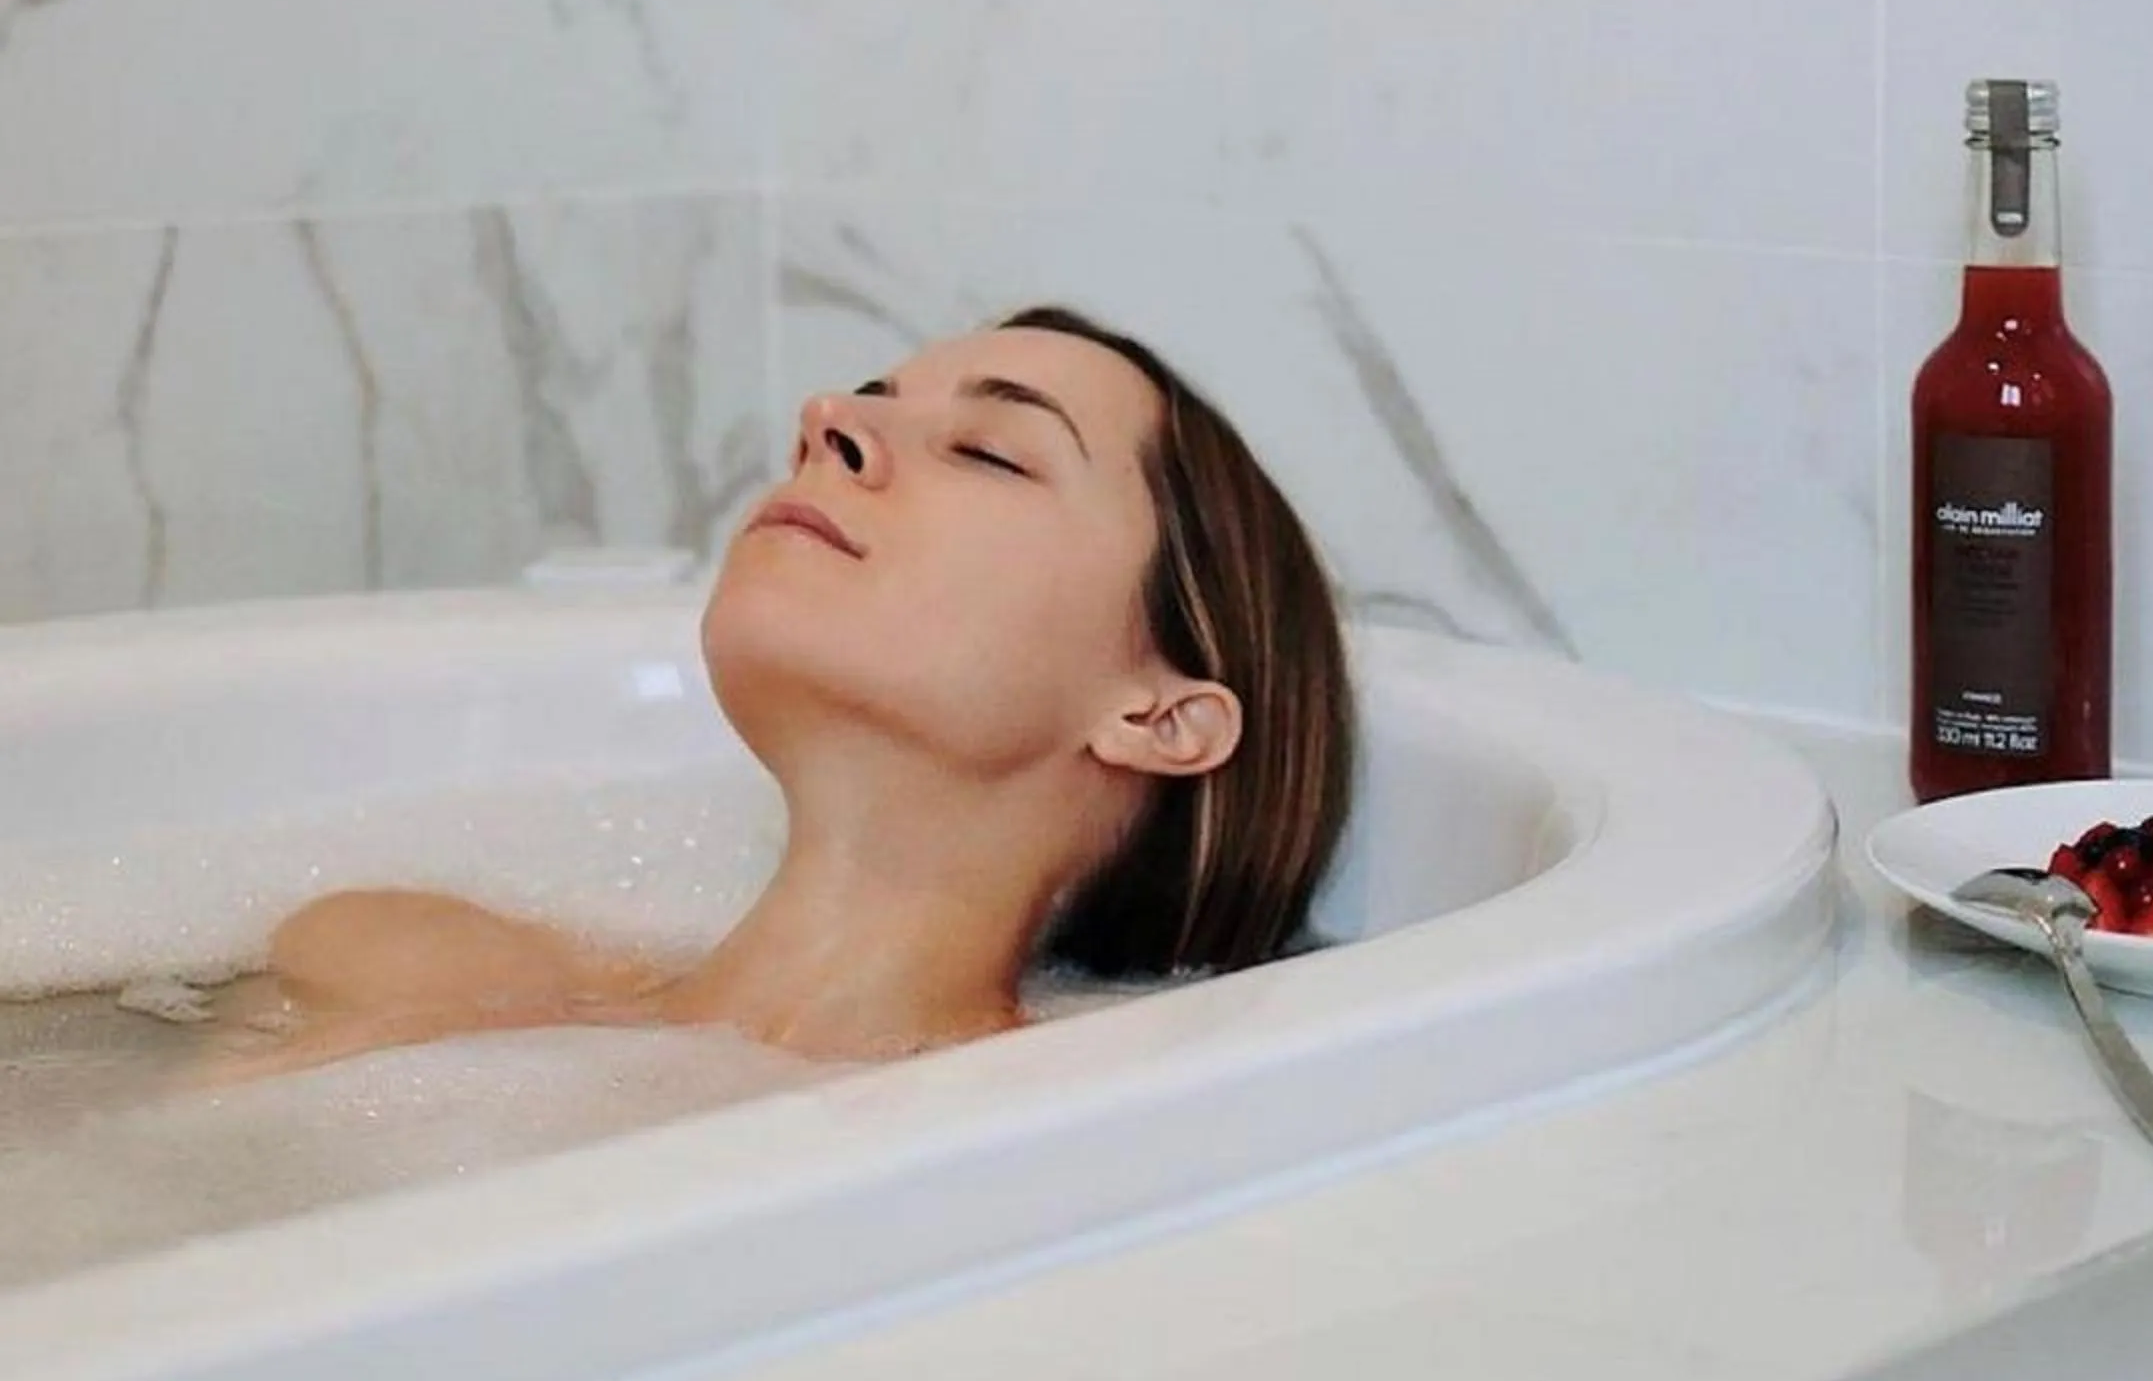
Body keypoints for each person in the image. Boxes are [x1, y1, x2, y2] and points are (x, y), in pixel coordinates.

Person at [210, 308, 1356, 1075]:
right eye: (869, 397)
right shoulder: (402, 958)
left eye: (989, 452)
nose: (828, 419)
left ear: (1158, 717)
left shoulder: (1056, 1154)